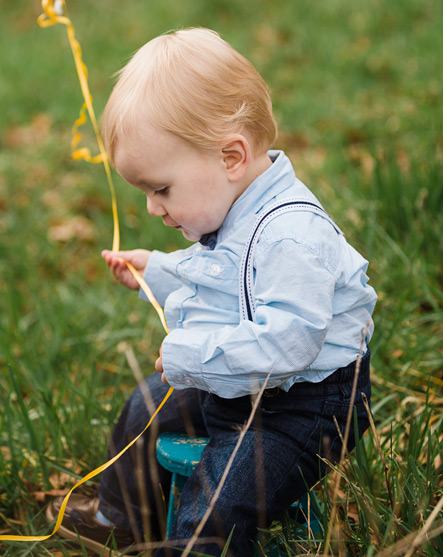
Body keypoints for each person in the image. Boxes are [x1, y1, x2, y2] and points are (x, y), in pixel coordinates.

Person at [48, 28, 377, 555]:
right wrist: (155, 271)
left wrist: (190, 355)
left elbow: (288, 348)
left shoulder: (291, 236)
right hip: (239, 379)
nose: (153, 208)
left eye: (161, 189)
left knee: (222, 492)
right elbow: (223, 280)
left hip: (303, 408)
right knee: (147, 408)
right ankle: (120, 518)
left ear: (230, 157)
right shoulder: (233, 206)